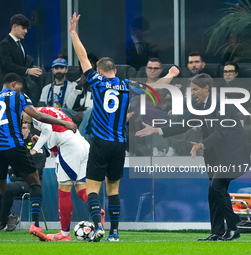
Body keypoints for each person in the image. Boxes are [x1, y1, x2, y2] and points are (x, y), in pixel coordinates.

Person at [69, 13, 178, 242]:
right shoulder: (126, 85)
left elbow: (82, 56)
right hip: (119, 143)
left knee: (91, 187)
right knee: (114, 188)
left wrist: (73, 32)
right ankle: (115, 233)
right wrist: (170, 74)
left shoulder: (97, 82)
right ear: (115, 71)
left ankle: (97, 226)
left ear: (99, 72)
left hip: (99, 141)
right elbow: (153, 88)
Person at [136, 73, 250, 241]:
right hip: (216, 157)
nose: (193, 93)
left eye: (195, 89)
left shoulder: (221, 104)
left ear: (207, 89)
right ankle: (217, 232)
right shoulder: (201, 105)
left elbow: (221, 132)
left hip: (232, 155)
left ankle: (234, 226)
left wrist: (201, 145)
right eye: (191, 90)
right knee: (214, 192)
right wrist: (157, 130)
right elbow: (185, 123)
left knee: (216, 188)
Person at [0, 72, 77, 242]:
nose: (21, 89)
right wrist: (64, 123)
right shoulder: (18, 96)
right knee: (34, 181)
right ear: (14, 83)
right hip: (15, 146)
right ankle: (36, 225)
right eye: (20, 86)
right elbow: (38, 115)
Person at [24, 106, 93, 241]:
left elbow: (49, 130)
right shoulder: (49, 110)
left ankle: (64, 234)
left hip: (70, 148)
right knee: (81, 188)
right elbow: (56, 139)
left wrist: (35, 149)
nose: (24, 122)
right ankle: (97, 211)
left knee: (64, 190)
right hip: (82, 145)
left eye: (22, 117)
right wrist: (42, 142)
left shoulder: (37, 115)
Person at [0, 122, 46, 232]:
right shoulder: (10, 145)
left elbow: (37, 169)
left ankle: (2, 219)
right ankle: (9, 216)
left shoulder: (36, 145)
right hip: (11, 182)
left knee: (8, 188)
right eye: (19, 128)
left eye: (24, 128)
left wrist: (15, 168)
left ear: (29, 130)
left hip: (28, 183)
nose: (21, 131)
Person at [0, 14, 43, 105]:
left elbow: (23, 61)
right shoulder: (5, 44)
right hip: (10, 87)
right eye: (23, 28)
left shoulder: (20, 43)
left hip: (21, 85)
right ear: (14, 27)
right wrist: (27, 71)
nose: (26, 31)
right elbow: (7, 64)